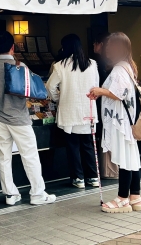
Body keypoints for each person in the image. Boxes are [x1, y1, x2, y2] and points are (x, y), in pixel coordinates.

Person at [0, 31, 56, 206]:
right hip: (19, 118)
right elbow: (29, 92)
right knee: (30, 156)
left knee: (4, 156)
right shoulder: (21, 66)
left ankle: (10, 194)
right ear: (13, 47)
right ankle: (37, 194)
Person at [88, 32, 141, 213]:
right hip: (126, 121)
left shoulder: (119, 69)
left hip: (120, 122)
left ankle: (122, 199)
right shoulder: (128, 66)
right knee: (131, 157)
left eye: (111, 45)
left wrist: (99, 91)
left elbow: (118, 93)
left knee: (125, 159)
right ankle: (135, 196)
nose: (107, 48)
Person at [45, 34, 100, 189]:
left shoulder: (60, 66)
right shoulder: (92, 64)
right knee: (88, 145)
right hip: (88, 110)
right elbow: (96, 86)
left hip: (69, 111)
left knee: (73, 146)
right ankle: (93, 177)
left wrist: (58, 98)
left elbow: (49, 86)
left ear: (65, 48)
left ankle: (78, 178)